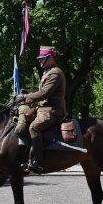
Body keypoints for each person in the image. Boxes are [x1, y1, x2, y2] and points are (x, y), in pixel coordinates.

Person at [14, 45, 67, 174]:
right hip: (43, 109)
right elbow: (41, 93)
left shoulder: (55, 73)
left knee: (34, 127)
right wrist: (28, 94)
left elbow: (44, 93)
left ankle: (38, 162)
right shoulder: (47, 72)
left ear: (50, 58)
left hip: (53, 110)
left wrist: (25, 97)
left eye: (42, 58)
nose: (40, 60)